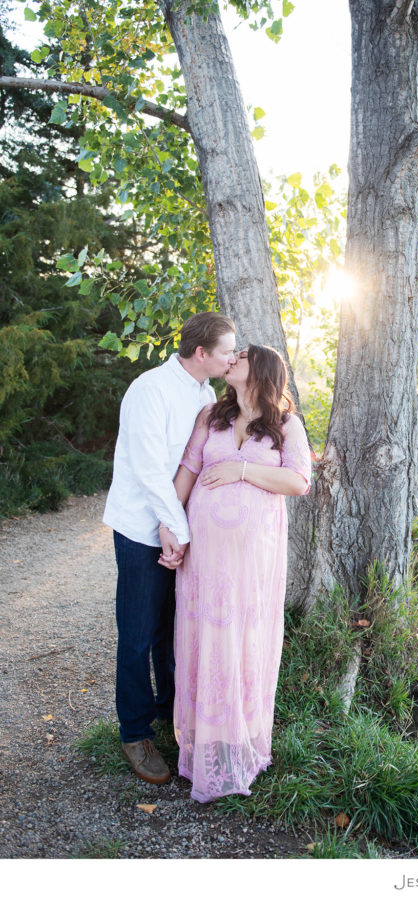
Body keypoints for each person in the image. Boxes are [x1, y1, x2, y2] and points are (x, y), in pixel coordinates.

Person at [168, 344, 311, 802]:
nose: (233, 358)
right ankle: (203, 747)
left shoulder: (286, 425)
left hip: (253, 564)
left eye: (243, 355)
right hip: (205, 559)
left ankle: (241, 741)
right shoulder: (211, 415)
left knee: (244, 640)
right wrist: (169, 526)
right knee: (205, 638)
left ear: (263, 370)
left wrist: (241, 469)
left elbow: (298, 482)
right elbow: (189, 470)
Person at [103, 312, 236, 785]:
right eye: (226, 351)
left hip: (176, 529)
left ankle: (169, 717)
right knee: (138, 633)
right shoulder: (149, 389)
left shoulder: (204, 394)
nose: (232, 357)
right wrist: (172, 527)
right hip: (142, 528)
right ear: (202, 353)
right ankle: (135, 732)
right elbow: (148, 468)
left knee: (171, 630)